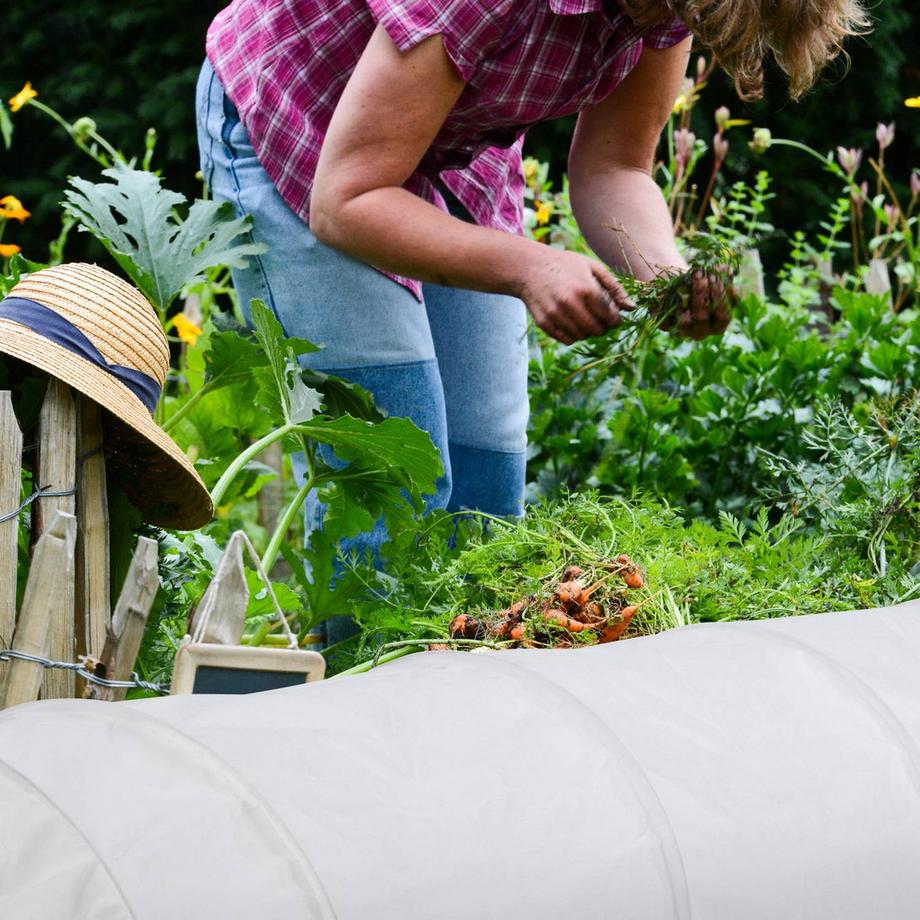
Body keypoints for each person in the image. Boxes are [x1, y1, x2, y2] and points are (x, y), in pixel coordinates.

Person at [197, 0, 868, 643]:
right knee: (394, 482)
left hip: (449, 154)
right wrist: (530, 268)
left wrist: (664, 273)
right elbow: (348, 202)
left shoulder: (664, 10)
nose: (679, 27)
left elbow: (615, 166)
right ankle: (361, 719)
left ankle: (465, 723)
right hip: (302, 131)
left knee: (484, 493)